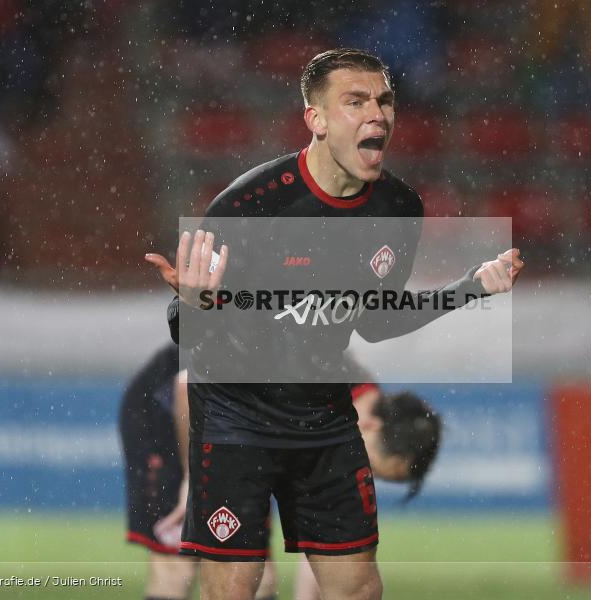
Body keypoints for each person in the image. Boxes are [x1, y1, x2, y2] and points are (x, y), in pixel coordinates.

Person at [145, 48, 523, 600]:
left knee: (359, 589)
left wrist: (471, 288)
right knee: (236, 589)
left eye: (385, 101)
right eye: (355, 101)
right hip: (235, 419)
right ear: (316, 119)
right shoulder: (251, 204)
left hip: (324, 420)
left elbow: (375, 323)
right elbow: (185, 329)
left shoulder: (398, 209)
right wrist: (198, 302)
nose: (377, 114)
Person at [120, 343, 441, 600]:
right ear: (371, 426)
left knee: (256, 576)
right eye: (374, 468)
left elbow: (324, 539)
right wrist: (193, 479)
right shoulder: (316, 382)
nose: (365, 475)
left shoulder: (343, 419)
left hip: (238, 431)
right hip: (171, 410)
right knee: (176, 564)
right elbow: (186, 382)